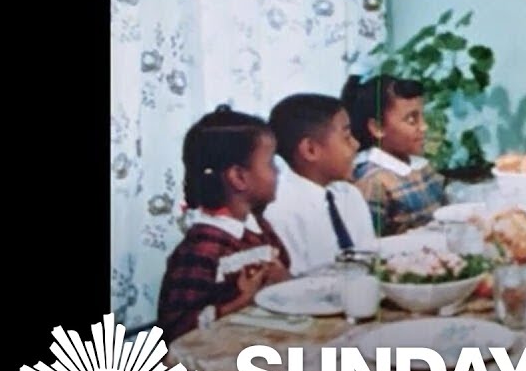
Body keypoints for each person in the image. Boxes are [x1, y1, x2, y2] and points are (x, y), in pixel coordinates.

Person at [157, 105, 291, 342]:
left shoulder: (261, 229)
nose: (277, 172)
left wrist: (283, 279)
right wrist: (240, 303)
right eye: (270, 163)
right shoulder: (202, 249)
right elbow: (176, 331)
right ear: (238, 177)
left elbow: (284, 276)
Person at [263, 93, 379, 275]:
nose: (356, 144)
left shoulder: (349, 193)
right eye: (347, 136)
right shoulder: (281, 213)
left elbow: (370, 256)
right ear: (310, 150)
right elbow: (295, 284)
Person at [342, 73, 447, 236]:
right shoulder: (372, 181)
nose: (424, 126)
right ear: (377, 128)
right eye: (411, 120)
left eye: (422, 116)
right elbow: (369, 243)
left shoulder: (418, 164)